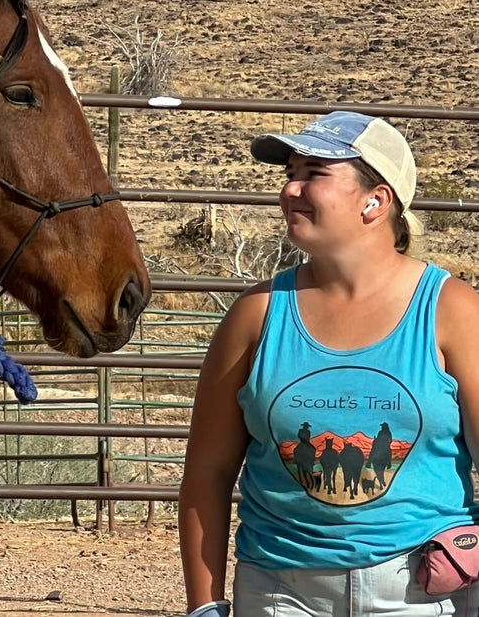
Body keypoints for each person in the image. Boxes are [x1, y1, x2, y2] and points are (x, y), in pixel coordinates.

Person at [178, 111, 479, 617]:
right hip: (279, 592)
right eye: (289, 174)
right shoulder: (255, 317)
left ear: (375, 201)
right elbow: (208, 471)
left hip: (424, 590)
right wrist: (204, 606)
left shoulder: (453, 312)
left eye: (313, 174)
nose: (290, 190)